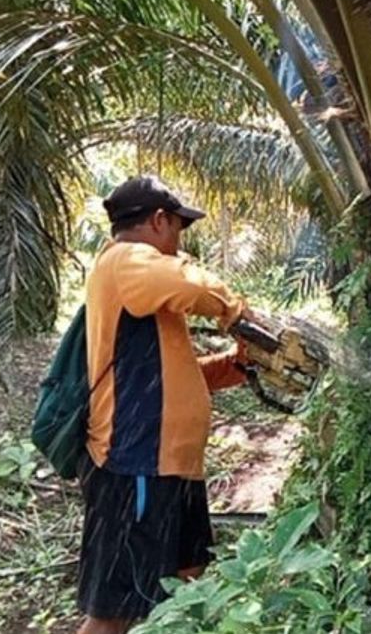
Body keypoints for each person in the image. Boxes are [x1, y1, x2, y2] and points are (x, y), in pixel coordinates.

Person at [77, 175, 254, 633]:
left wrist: (236, 365)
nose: (178, 243)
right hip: (135, 464)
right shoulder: (125, 261)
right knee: (113, 612)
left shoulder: (146, 294)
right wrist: (236, 310)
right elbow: (191, 285)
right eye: (178, 228)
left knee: (186, 585)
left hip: (171, 469)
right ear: (158, 221)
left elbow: (171, 374)